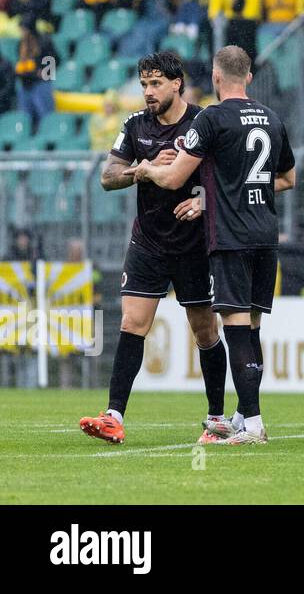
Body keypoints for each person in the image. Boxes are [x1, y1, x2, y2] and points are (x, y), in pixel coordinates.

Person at [129, 45, 296, 445]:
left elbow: (172, 180)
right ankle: (242, 415)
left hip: (232, 237)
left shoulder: (211, 118)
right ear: (250, 78)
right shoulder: (272, 118)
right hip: (265, 235)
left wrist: (148, 167)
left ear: (217, 78)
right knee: (253, 329)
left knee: (235, 328)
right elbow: (288, 179)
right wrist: (232, 190)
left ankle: (252, 424)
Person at [78, 52, 227, 446]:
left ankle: (216, 419)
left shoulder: (203, 122)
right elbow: (108, 177)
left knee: (205, 330)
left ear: (177, 84)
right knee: (132, 323)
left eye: (156, 83)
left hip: (194, 245)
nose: (148, 92)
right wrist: (140, 165)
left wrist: (205, 203)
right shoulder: (135, 126)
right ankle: (113, 416)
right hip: (148, 241)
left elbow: (230, 178)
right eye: (144, 84)